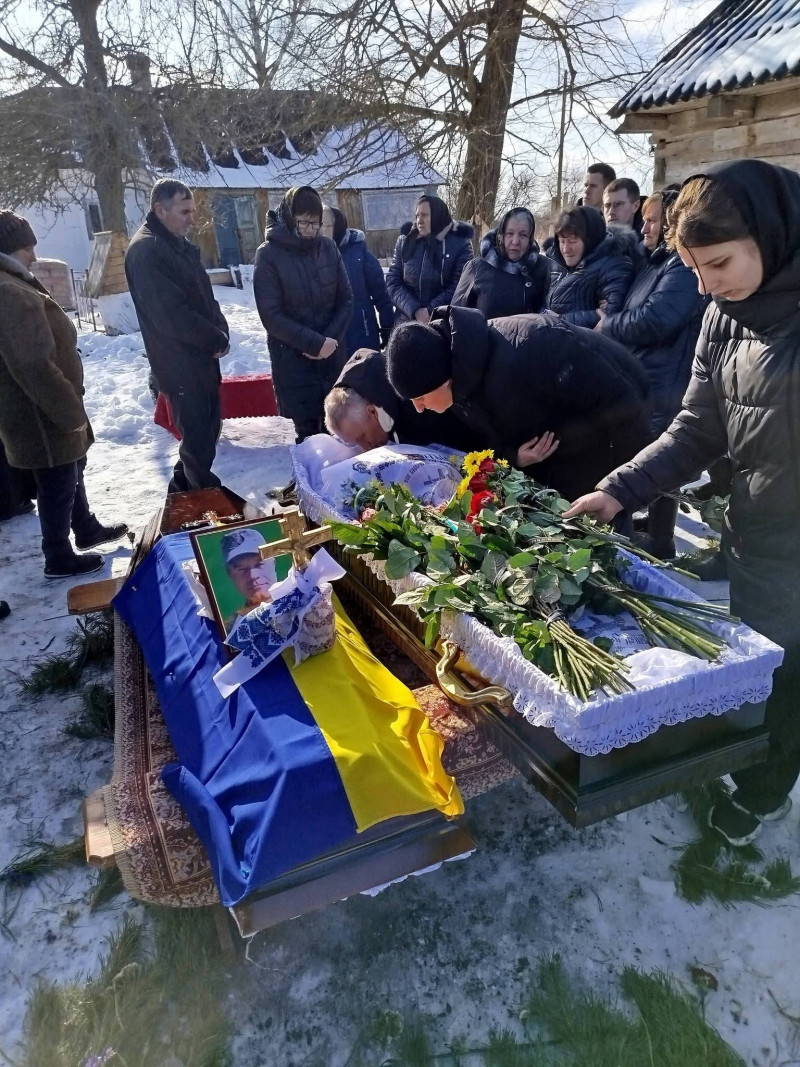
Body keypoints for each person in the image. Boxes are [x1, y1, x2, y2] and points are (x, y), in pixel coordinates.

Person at [564, 160, 800, 847]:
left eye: (719, 263)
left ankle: (764, 791)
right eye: (695, 269)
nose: (706, 285)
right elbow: (697, 428)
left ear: (772, 235)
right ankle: (760, 763)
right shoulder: (721, 319)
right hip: (759, 542)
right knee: (768, 673)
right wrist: (618, 488)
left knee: (792, 684)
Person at [384, 305, 650, 502]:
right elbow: (490, 433)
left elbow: (621, 402)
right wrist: (514, 456)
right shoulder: (459, 378)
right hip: (560, 455)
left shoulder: (527, 348)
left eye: (419, 397)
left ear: (442, 379)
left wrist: (622, 489)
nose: (419, 408)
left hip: (606, 437)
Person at [0, 211, 127, 577]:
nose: (35, 258)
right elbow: (32, 364)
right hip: (40, 410)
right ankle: (57, 554)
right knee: (57, 479)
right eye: (28, 248)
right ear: (11, 248)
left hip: (43, 406)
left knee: (71, 468)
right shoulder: (9, 290)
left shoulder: (12, 281)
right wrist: (68, 411)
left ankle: (84, 527)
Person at [595, 189, 708, 558]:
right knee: (650, 450)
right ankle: (655, 529)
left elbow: (657, 319)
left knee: (662, 450)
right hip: (647, 374)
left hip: (667, 377)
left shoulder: (680, 266)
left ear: (673, 222)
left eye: (654, 219)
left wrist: (609, 325)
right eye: (644, 218)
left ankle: (661, 540)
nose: (645, 225)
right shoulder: (657, 261)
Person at [125, 179, 230, 494]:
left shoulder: (176, 245)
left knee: (206, 435)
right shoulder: (147, 251)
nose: (191, 218)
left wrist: (220, 329)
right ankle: (209, 506)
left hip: (199, 361)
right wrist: (214, 339)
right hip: (179, 365)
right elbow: (172, 316)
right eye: (184, 211)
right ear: (161, 209)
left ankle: (179, 497)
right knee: (198, 443)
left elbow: (203, 297)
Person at [253, 186, 353, 442]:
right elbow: (271, 315)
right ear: (289, 217)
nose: (310, 230)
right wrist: (312, 344)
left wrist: (328, 341)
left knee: (339, 432)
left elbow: (346, 299)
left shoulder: (328, 248)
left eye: (315, 223)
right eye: (304, 223)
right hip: (294, 361)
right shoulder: (268, 255)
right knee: (309, 437)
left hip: (332, 356)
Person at [324, 348, 477, 452]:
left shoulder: (415, 389)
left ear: (372, 411)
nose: (365, 447)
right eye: (356, 442)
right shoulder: (378, 399)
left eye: (362, 437)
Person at [386, 195, 474, 325]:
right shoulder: (405, 241)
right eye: (417, 215)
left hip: (442, 324)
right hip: (406, 323)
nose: (419, 221)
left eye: (425, 215)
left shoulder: (460, 244)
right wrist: (415, 310)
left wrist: (429, 311)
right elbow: (392, 281)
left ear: (437, 215)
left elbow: (459, 286)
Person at [451, 207, 554, 318]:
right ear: (501, 235)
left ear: (530, 238)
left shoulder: (546, 268)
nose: (515, 242)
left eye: (523, 235)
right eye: (510, 233)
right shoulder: (476, 268)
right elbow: (456, 318)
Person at [545, 206, 635, 328]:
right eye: (562, 241)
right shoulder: (558, 264)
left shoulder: (613, 265)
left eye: (572, 241)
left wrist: (559, 320)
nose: (566, 249)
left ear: (590, 239)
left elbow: (611, 315)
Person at [320, 206, 393, 356]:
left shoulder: (359, 253)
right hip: (329, 341)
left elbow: (381, 295)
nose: (320, 230)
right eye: (318, 224)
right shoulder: (315, 256)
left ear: (338, 227)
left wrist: (388, 328)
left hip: (362, 335)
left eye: (324, 225)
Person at [220, 527, 278, 633]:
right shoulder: (230, 630)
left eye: (259, 564)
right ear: (230, 575)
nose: (252, 575)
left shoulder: (307, 602)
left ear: (273, 563)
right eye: (241, 569)